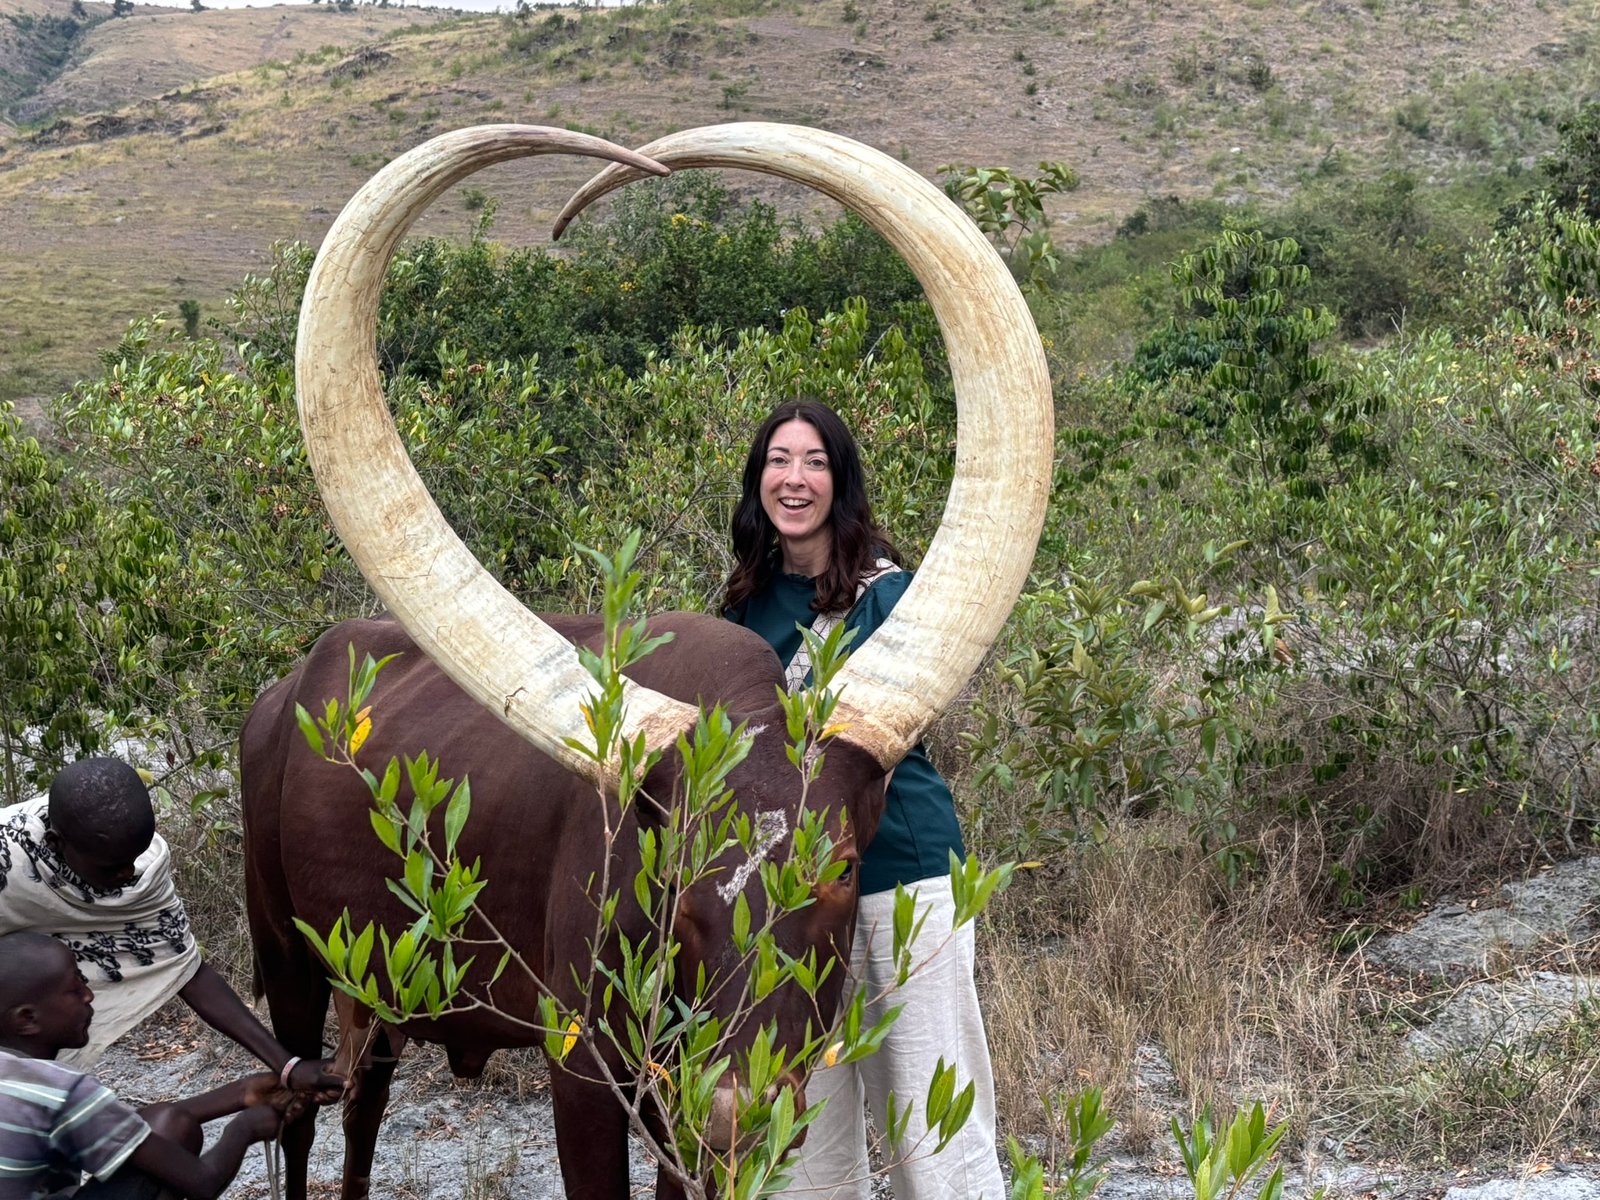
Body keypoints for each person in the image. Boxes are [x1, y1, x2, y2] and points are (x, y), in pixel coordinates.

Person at [722, 400, 1007, 1200]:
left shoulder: (890, 594)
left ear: (839, 482)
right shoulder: (743, 606)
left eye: (814, 462)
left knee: (932, 1128)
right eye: (779, 460)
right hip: (792, 901)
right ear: (759, 481)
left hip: (898, 881)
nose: (794, 479)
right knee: (801, 1133)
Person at [0, 758, 340, 1099]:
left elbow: (184, 966)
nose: (128, 874)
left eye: (135, 857)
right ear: (58, 844)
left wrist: (287, 1066)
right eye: (113, 867)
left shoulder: (140, 871)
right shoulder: (9, 862)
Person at [0, 930, 285, 1199]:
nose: (89, 995)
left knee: (166, 1122)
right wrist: (246, 1127)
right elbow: (202, 1181)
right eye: (74, 989)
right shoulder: (60, 1090)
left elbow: (113, 1126)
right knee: (173, 1132)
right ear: (27, 1019)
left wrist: (242, 1092)